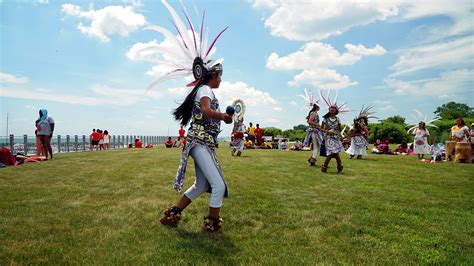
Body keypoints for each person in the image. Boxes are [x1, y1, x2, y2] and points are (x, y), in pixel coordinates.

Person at [321, 106, 344, 173]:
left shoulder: (338, 119)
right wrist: (327, 131)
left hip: (336, 138)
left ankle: (325, 168)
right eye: (331, 108)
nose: (332, 109)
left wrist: (342, 134)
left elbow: (340, 129)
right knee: (332, 153)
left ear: (336, 111)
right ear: (329, 110)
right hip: (328, 138)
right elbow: (321, 128)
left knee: (335, 154)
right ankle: (338, 168)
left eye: (333, 108)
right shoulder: (325, 119)